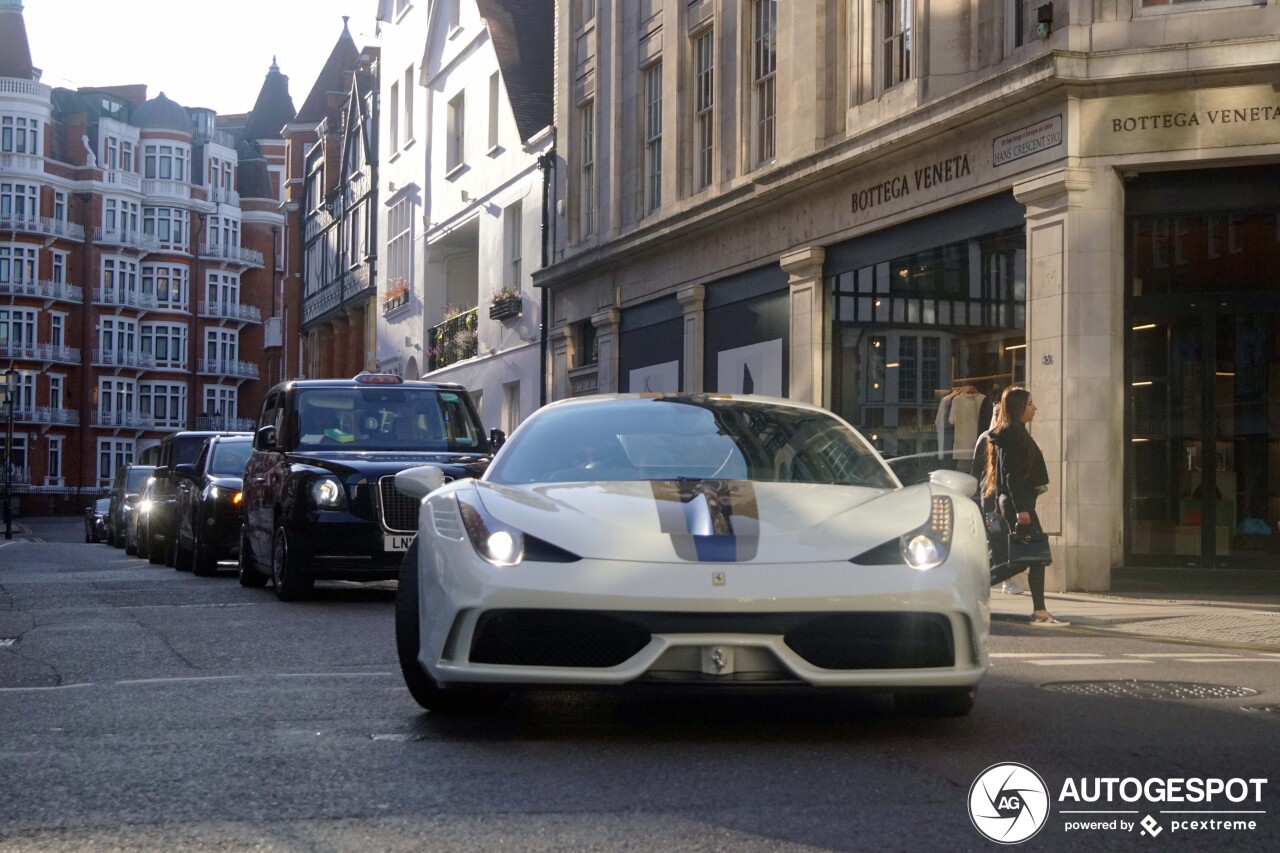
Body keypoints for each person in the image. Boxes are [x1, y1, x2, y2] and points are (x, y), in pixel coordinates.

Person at [984, 386, 1068, 626]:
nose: (1035, 408)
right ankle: (973, 585)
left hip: (1016, 504)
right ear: (1018, 407)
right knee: (1028, 557)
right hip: (1018, 505)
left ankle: (1040, 610)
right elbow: (1011, 476)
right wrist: (1021, 510)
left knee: (1033, 556)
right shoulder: (1012, 433)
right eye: (1030, 403)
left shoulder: (1014, 432)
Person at [972, 402, 1018, 594]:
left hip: (1002, 495)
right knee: (997, 536)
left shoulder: (1008, 436)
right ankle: (1004, 579)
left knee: (1000, 537)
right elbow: (976, 469)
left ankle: (986, 577)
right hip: (990, 495)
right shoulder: (987, 438)